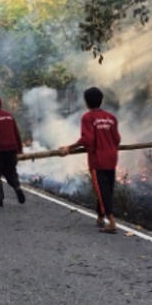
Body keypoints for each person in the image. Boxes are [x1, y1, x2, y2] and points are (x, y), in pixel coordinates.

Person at [59, 87, 121, 233]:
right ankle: (100, 217)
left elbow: (88, 139)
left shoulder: (88, 117)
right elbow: (117, 139)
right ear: (101, 100)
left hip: (98, 160)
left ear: (86, 102)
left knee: (101, 190)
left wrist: (69, 147)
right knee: (106, 189)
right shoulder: (111, 118)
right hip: (112, 158)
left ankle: (111, 222)